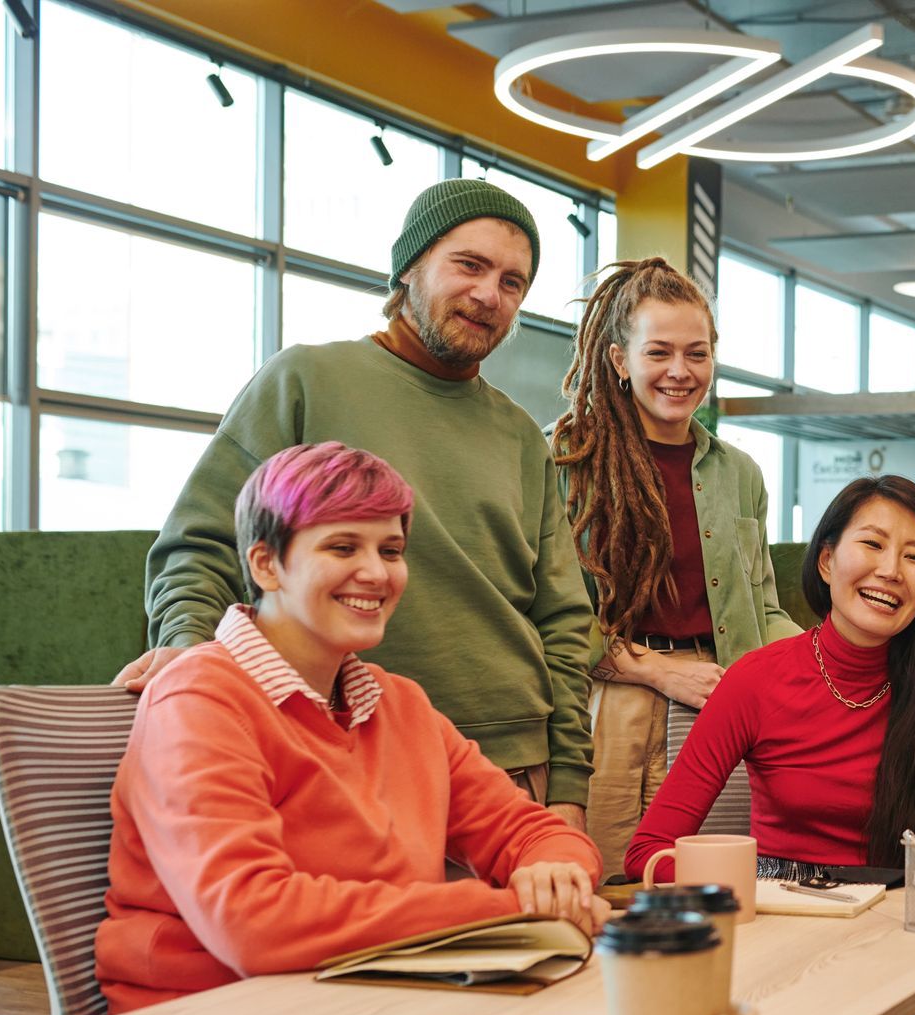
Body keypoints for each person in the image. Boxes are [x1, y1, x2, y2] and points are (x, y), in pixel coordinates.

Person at [114, 178, 597, 830]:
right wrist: (188, 652)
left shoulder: (520, 435)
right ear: (408, 268)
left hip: (511, 765)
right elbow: (201, 543)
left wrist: (567, 778)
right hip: (337, 747)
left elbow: (564, 622)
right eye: (470, 265)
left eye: (513, 283)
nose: (490, 295)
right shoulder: (306, 380)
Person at [97, 444, 607, 1015]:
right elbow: (252, 922)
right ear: (266, 564)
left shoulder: (400, 704)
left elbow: (531, 833)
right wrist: (510, 908)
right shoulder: (200, 700)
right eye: (342, 547)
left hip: (370, 996)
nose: (376, 572)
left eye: (391, 550)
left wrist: (554, 873)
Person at [625, 475, 915, 877]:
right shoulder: (755, 681)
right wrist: (743, 886)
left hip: (906, 917)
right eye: (872, 544)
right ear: (827, 561)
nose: (891, 570)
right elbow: (648, 854)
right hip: (782, 911)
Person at [552, 257, 800, 874]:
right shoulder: (568, 460)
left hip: (723, 702)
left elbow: (763, 606)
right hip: (614, 699)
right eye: (659, 352)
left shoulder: (738, 472)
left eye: (697, 353)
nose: (679, 372)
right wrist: (661, 673)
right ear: (618, 360)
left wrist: (829, 660)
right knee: (616, 880)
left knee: (715, 882)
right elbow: (551, 613)